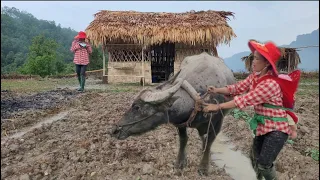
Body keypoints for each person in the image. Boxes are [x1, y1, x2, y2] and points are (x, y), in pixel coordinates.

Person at [202, 40, 300, 180]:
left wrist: (218, 106)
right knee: (254, 158)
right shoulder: (255, 77)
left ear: (266, 63)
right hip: (263, 126)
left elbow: (244, 99)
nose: (253, 62)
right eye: (253, 57)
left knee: (264, 164)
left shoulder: (270, 84)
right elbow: (237, 88)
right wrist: (216, 90)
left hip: (276, 129)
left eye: (257, 59)